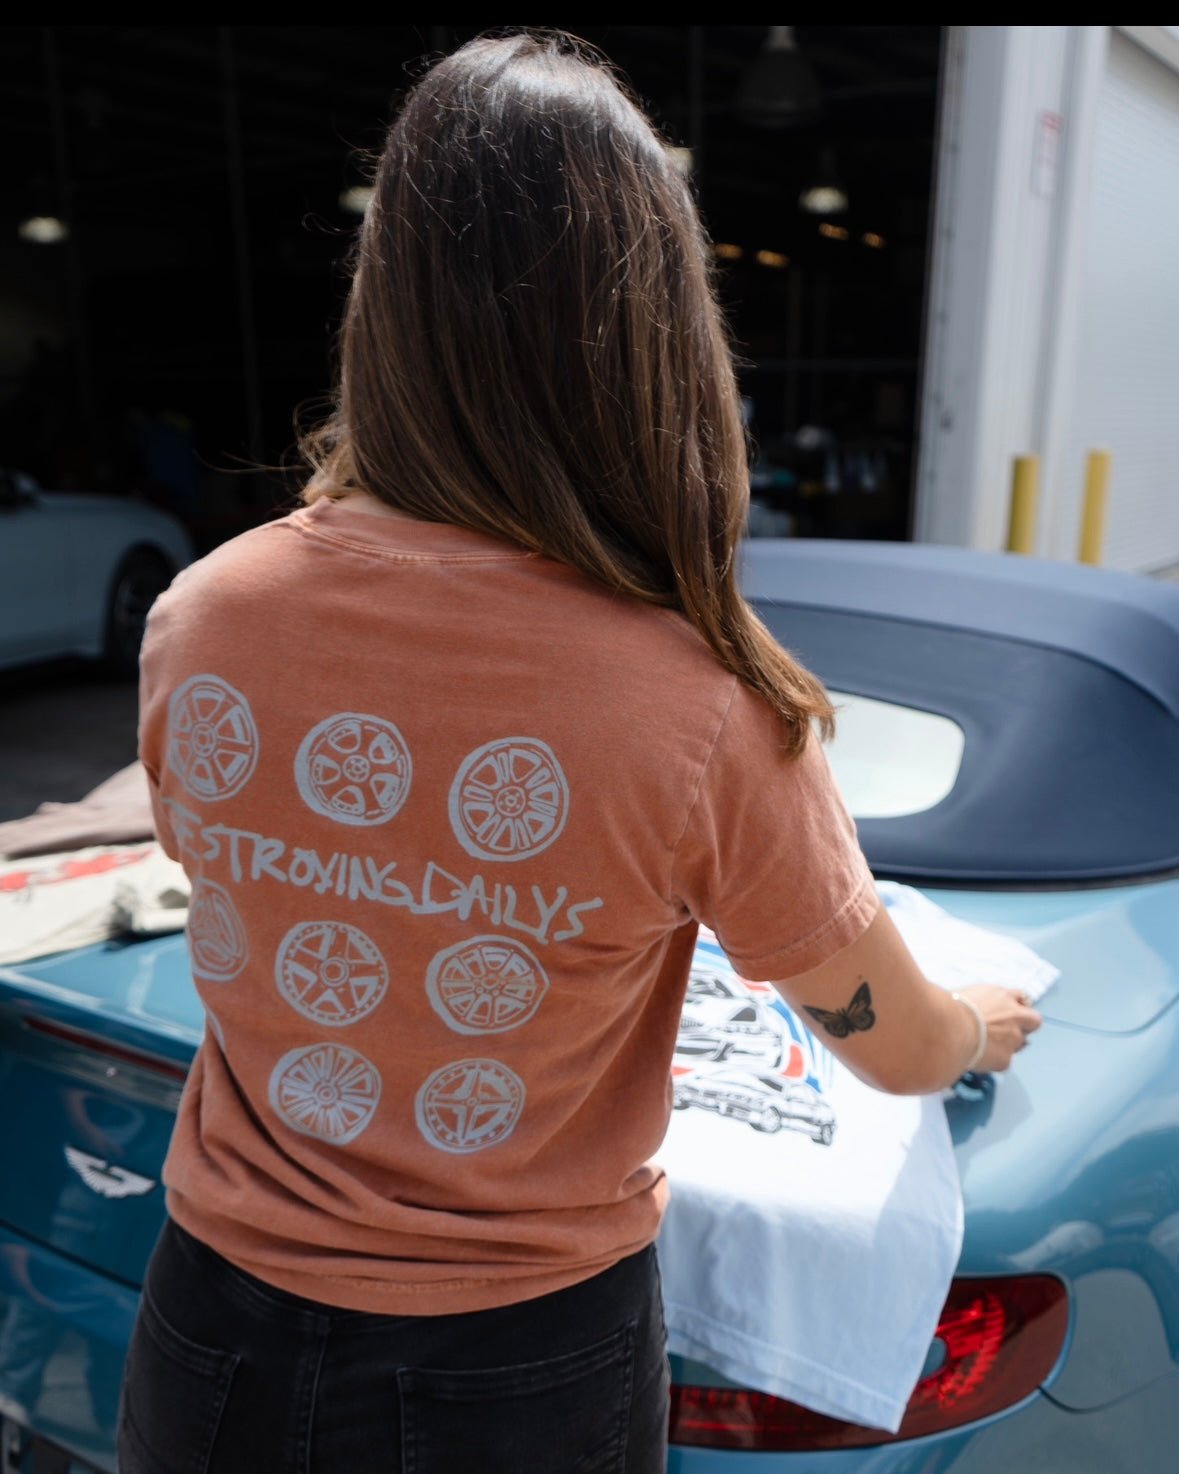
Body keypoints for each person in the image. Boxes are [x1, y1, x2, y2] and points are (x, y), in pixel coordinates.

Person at [119, 30, 1040, 1474]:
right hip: (522, 1369)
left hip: (210, 1332)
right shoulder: (696, 703)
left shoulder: (203, 616)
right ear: (655, 326)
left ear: (388, 304)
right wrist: (978, 1025)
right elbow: (898, 1048)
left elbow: (237, 867)